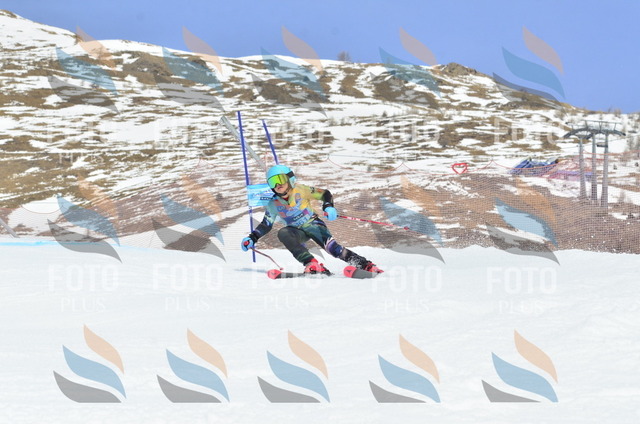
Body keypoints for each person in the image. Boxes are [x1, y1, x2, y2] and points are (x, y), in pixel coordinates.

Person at [241, 164, 382, 275]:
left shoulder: (301, 190)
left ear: (289, 179)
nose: (277, 184)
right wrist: (252, 237)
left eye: (280, 179)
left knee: (333, 249)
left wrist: (328, 206)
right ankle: (312, 264)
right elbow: (266, 224)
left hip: (313, 224)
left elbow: (325, 194)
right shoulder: (273, 203)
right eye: (273, 182)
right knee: (283, 233)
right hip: (296, 231)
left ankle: (365, 265)